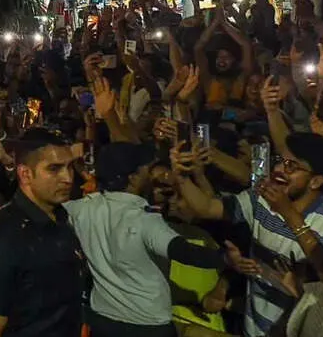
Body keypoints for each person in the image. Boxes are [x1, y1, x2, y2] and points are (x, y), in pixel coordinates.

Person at [176, 132, 323, 336]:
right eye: (279, 161)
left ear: (315, 181)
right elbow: (206, 207)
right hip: (253, 328)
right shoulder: (262, 200)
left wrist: (288, 212)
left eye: (291, 166)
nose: (279, 170)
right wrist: (180, 176)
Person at [65, 142, 225, 337]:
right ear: (132, 178)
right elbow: (182, 251)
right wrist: (225, 258)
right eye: (144, 170)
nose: (149, 174)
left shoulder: (82, 209)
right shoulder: (144, 219)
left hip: (103, 319)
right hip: (148, 324)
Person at [0, 128, 85, 337]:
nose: (67, 178)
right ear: (25, 174)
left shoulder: (64, 221)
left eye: (69, 167)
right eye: (54, 169)